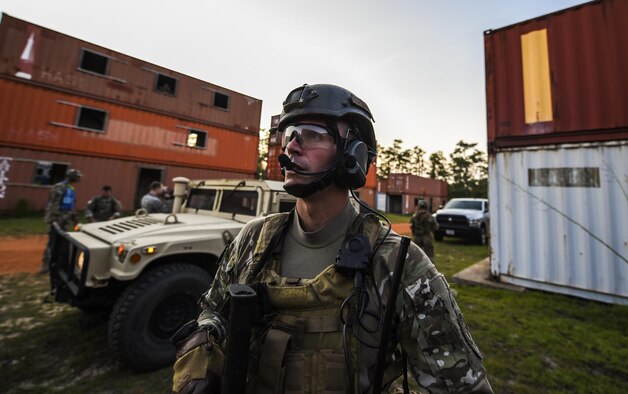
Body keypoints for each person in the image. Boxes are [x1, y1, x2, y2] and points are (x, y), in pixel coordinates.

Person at [172, 84, 492, 393]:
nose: (292, 147)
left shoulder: (398, 263)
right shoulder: (252, 240)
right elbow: (213, 310)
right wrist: (204, 348)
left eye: (311, 134)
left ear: (353, 155)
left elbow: (463, 385)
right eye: (290, 136)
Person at [40, 168, 82, 273]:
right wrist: (56, 221)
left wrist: (75, 220)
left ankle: (60, 265)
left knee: (63, 244)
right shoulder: (59, 187)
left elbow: (70, 205)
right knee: (53, 242)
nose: (78, 178)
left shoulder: (71, 188)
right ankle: (46, 266)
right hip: (57, 220)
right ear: (71, 176)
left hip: (64, 221)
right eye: (77, 176)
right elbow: (54, 205)